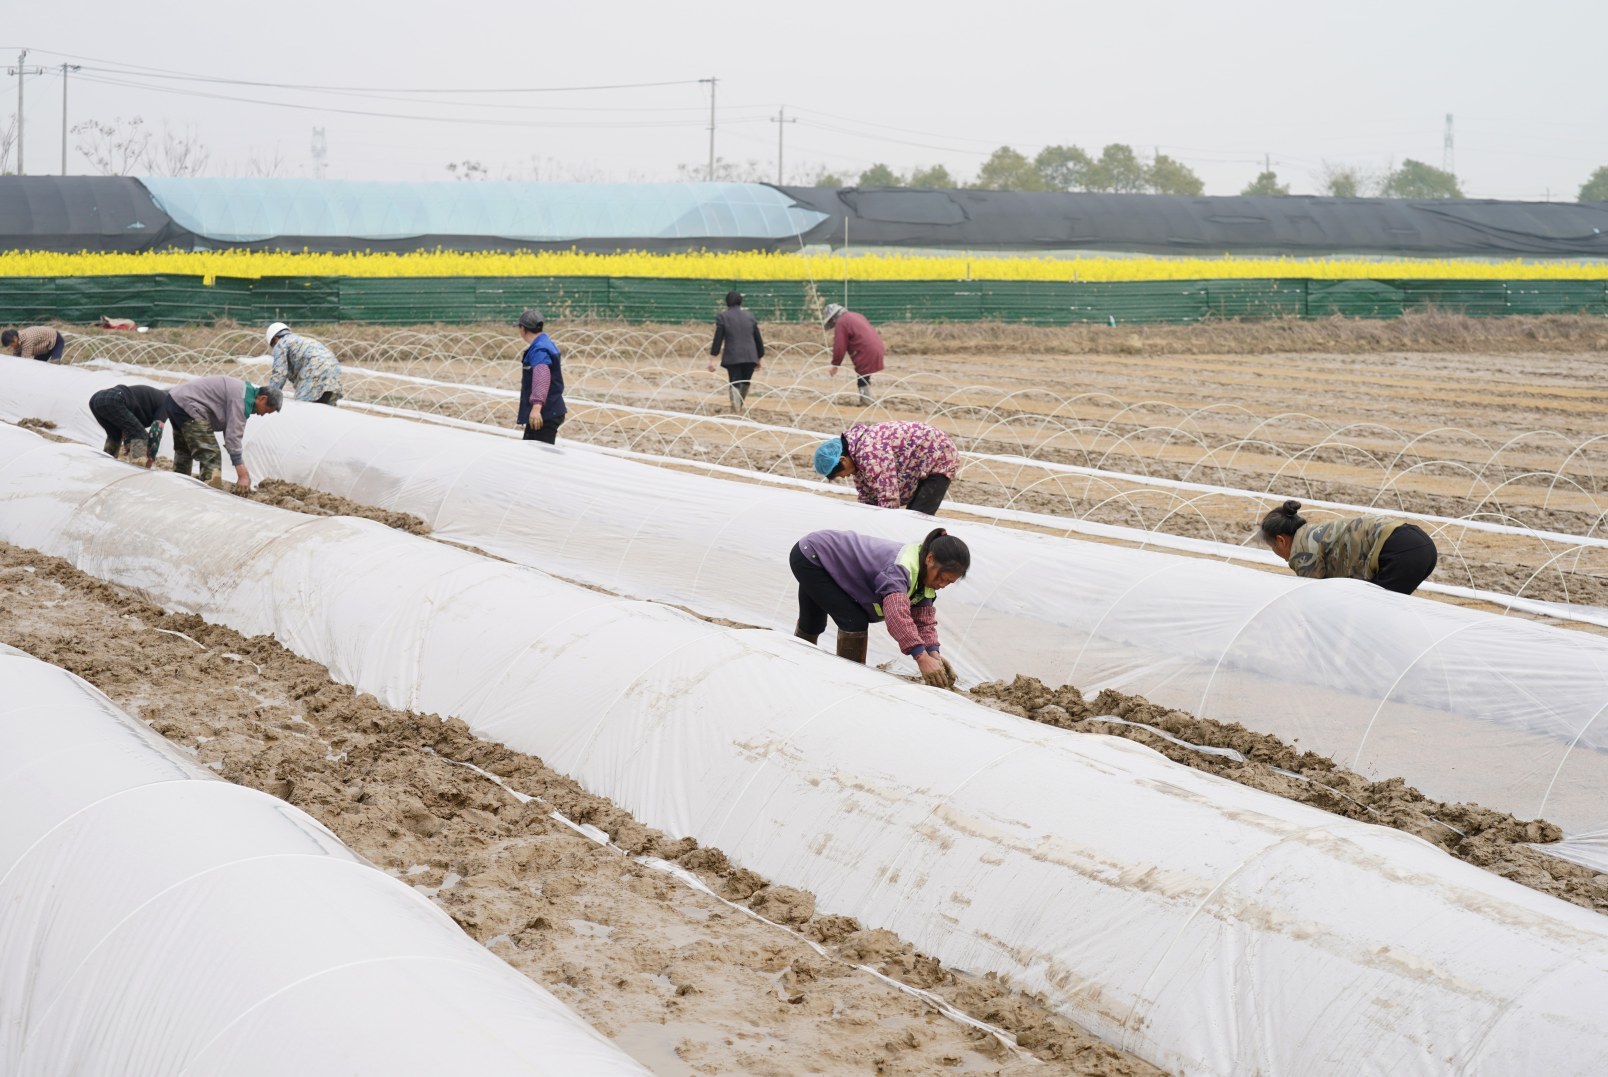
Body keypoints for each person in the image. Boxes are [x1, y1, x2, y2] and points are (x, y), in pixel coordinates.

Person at [789, 526, 969, 687]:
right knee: (853, 621)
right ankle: (848, 682)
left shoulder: (925, 580)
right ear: (930, 559)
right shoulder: (901, 569)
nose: (942, 585)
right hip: (812, 557)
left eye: (949, 583)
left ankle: (796, 662)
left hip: (824, 557)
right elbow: (896, 615)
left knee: (814, 620)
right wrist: (921, 657)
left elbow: (923, 621)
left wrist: (933, 652)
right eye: (942, 578)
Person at [1258, 499, 1439, 595]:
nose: (1278, 554)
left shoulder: (1302, 549)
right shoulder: (1313, 533)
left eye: (1273, 547)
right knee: (1383, 608)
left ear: (1281, 540)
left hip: (1402, 552)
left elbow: (1313, 598)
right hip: (1422, 545)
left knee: (1378, 613)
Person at [162, 376, 282, 494]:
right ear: (262, 399)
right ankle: (210, 497)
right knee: (211, 454)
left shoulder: (243, 391)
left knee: (184, 450)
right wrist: (243, 475)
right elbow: (233, 438)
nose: (262, 415)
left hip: (175, 400)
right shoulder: (242, 400)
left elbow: (230, 432)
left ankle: (178, 487)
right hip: (189, 405)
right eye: (266, 410)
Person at [814, 421, 960, 514]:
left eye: (841, 474)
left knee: (917, 517)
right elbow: (866, 497)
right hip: (917, 462)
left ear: (843, 460)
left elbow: (888, 498)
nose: (845, 477)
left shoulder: (869, 453)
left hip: (939, 456)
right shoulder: (856, 456)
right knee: (910, 517)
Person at [707, 291, 765, 412]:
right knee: (745, 382)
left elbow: (718, 339)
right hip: (750, 356)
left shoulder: (723, 317)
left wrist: (712, 358)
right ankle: (738, 408)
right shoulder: (750, 316)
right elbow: (758, 338)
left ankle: (736, 409)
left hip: (733, 356)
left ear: (727, 302)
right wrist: (760, 357)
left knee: (735, 382)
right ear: (740, 301)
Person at [516, 309, 567, 444]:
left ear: (522, 328)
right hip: (550, 410)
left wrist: (536, 407)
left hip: (545, 414)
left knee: (538, 458)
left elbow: (542, 374)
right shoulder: (546, 343)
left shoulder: (539, 349)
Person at [88, 383, 168, 467]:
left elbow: (128, 426)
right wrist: (151, 458)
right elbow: (156, 431)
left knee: (115, 436)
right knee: (140, 436)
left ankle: (105, 465)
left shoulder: (150, 400)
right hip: (115, 399)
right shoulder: (167, 401)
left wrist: (129, 442)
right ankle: (137, 469)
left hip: (96, 399)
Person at [822, 303, 885, 407]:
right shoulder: (856, 315)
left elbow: (839, 345)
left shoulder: (841, 322)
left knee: (863, 375)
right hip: (877, 346)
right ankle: (866, 398)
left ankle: (866, 401)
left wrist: (835, 364)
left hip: (865, 349)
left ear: (833, 317)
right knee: (864, 375)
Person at [266, 322, 343, 405]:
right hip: (334, 372)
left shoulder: (281, 343)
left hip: (315, 371)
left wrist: (269, 395)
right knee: (325, 412)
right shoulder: (302, 340)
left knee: (302, 408)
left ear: (275, 339)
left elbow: (279, 373)